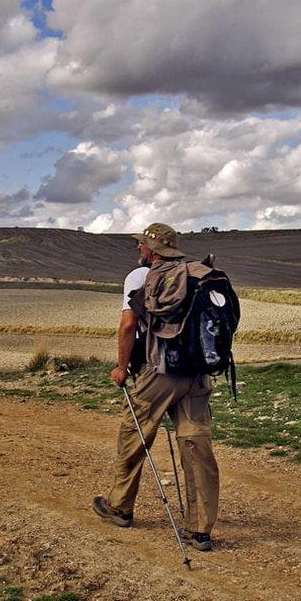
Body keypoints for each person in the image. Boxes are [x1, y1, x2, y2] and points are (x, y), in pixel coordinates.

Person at [92, 223, 220, 552]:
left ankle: (120, 507)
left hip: (159, 373)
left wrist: (122, 368)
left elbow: (128, 324)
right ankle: (200, 529)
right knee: (196, 446)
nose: (138, 250)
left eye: (142, 246)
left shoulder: (141, 277)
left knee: (134, 437)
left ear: (152, 250)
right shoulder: (198, 274)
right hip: (197, 376)